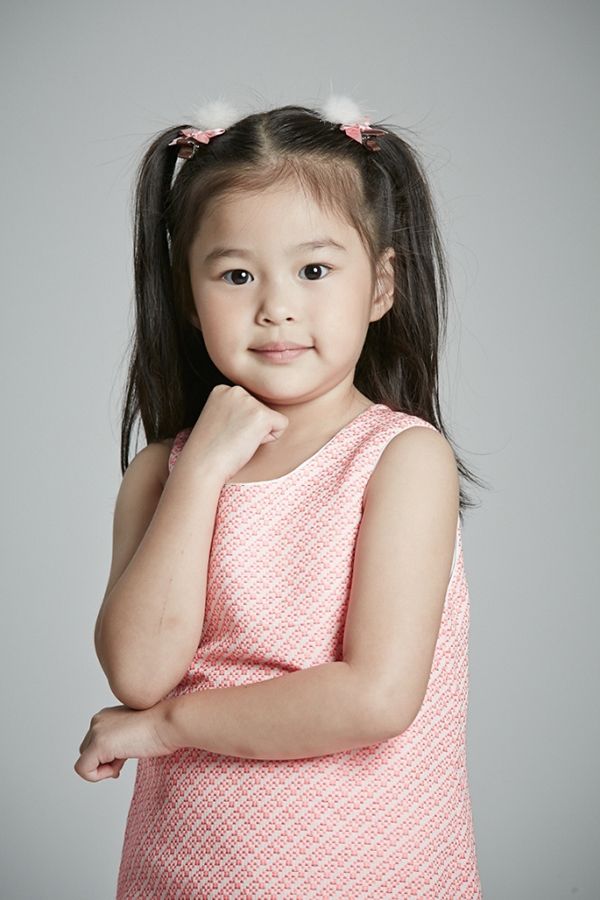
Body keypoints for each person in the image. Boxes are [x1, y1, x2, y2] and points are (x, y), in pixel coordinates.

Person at [74, 93, 485, 897]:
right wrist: (200, 472)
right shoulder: (162, 473)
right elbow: (139, 672)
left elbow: (375, 696)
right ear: (188, 297)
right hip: (182, 871)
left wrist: (166, 728)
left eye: (314, 270)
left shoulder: (401, 459)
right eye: (236, 275)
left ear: (380, 286)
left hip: (366, 873)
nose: (276, 307)